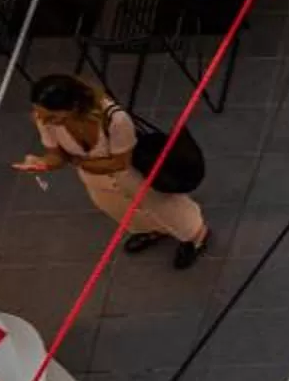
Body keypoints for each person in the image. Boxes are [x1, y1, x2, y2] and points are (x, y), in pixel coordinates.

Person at [16, 75, 207, 267]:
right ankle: (155, 229)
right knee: (118, 208)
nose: (43, 120)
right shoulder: (45, 120)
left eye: (51, 116)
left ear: (73, 107)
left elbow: (120, 163)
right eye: (39, 112)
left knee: (162, 205)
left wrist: (76, 161)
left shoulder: (115, 119)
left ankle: (195, 236)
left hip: (130, 174)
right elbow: (56, 155)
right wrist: (44, 164)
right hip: (95, 179)